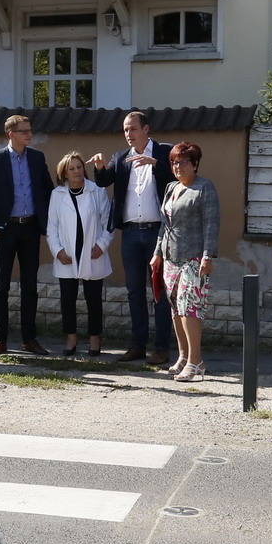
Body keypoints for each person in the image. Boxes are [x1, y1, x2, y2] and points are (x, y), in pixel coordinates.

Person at [90, 110, 174, 365]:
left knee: (159, 291)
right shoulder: (121, 157)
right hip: (130, 233)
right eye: (125, 130)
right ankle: (138, 345)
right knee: (134, 291)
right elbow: (104, 181)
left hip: (158, 233)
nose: (128, 134)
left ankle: (162, 348)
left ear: (146, 129)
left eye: (133, 128)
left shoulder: (164, 152)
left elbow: (176, 180)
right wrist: (100, 167)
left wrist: (155, 164)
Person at [0, 114, 54, 356]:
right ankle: (0, 340)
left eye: (30, 130)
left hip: (30, 228)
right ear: (11, 134)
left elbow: (48, 190)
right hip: (5, 229)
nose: (29, 134)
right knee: (1, 286)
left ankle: (30, 339)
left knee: (30, 285)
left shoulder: (37, 158)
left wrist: (48, 221)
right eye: (24, 131)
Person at [152, 142, 219, 382]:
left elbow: (211, 224)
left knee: (190, 309)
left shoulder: (204, 188)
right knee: (176, 309)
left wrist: (207, 255)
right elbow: (164, 225)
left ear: (195, 164)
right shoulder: (171, 187)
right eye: (174, 162)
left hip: (194, 258)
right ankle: (183, 356)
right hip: (171, 258)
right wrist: (157, 253)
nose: (178, 166)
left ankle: (196, 361)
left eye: (183, 162)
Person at [46, 151, 113, 355]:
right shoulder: (57, 195)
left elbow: (108, 222)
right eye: (72, 169)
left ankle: (94, 339)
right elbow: (52, 227)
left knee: (93, 300)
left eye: (79, 167)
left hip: (93, 254)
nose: (77, 171)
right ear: (64, 174)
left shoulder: (97, 191)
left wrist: (102, 244)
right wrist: (57, 251)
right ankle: (71, 339)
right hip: (67, 255)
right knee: (68, 300)